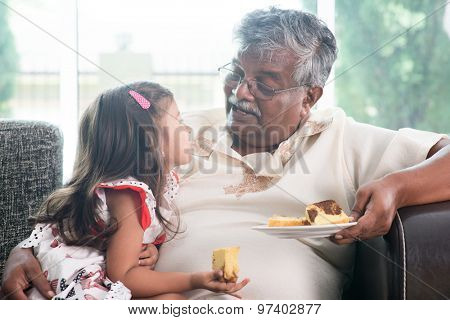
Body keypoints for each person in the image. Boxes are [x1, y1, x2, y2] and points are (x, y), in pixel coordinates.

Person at [3, 8, 449, 299]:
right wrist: (25, 251)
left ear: (310, 96)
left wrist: (398, 185)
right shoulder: (170, 131)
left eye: (265, 83)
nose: (240, 92)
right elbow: (89, 199)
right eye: (235, 72)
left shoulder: (349, 140)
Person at [2, 81, 248, 300]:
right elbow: (124, 275)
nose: (188, 130)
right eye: (179, 121)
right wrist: (195, 279)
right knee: (173, 301)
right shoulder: (129, 195)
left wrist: (149, 248)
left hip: (89, 280)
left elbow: (123, 246)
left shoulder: (152, 188)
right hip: (76, 290)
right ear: (151, 142)